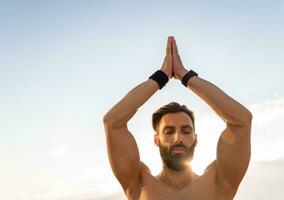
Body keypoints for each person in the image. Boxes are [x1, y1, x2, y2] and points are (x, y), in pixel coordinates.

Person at [103, 36, 252, 200]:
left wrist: (185, 76)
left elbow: (242, 120)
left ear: (195, 139)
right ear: (156, 140)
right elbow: (112, 122)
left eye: (186, 131)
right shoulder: (139, 184)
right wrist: (162, 76)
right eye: (168, 131)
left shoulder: (218, 183)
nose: (177, 138)